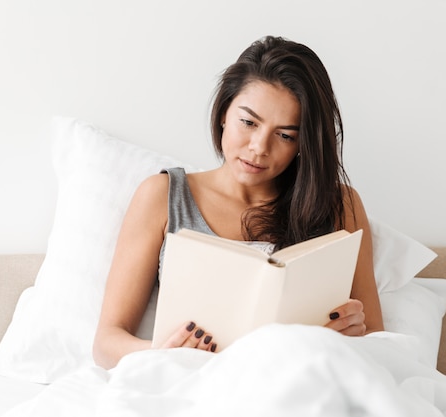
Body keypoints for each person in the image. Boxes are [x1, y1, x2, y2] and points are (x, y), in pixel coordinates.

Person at [93, 36, 383, 369]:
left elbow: (377, 337)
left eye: (285, 135)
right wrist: (164, 354)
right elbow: (106, 342)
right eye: (248, 122)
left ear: (303, 143)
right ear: (223, 114)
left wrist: (354, 333)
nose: (260, 147)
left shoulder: (340, 205)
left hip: (303, 380)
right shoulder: (163, 196)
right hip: (193, 382)